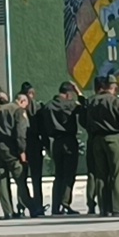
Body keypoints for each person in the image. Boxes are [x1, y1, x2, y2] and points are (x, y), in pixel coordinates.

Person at [80, 75, 119, 216]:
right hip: (113, 137)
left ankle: (104, 207)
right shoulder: (115, 101)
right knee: (116, 173)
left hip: (96, 139)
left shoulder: (91, 101)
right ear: (114, 87)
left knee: (101, 174)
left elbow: (83, 120)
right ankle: (116, 206)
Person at [34, 82, 83, 215]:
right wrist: (79, 93)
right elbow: (85, 106)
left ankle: (56, 206)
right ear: (68, 93)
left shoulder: (48, 106)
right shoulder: (70, 104)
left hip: (55, 142)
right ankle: (65, 204)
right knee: (69, 175)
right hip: (69, 141)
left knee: (59, 175)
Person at [0, 89, 30, 219]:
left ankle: (8, 212)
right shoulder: (18, 111)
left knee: (1, 179)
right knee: (20, 178)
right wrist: (22, 151)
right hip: (10, 148)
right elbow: (20, 133)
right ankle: (27, 207)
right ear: (22, 101)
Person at [19, 82, 47, 216]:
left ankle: (33, 205)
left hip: (30, 145)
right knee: (28, 178)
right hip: (28, 145)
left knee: (30, 178)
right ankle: (30, 205)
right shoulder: (22, 108)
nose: (31, 96)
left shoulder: (35, 107)